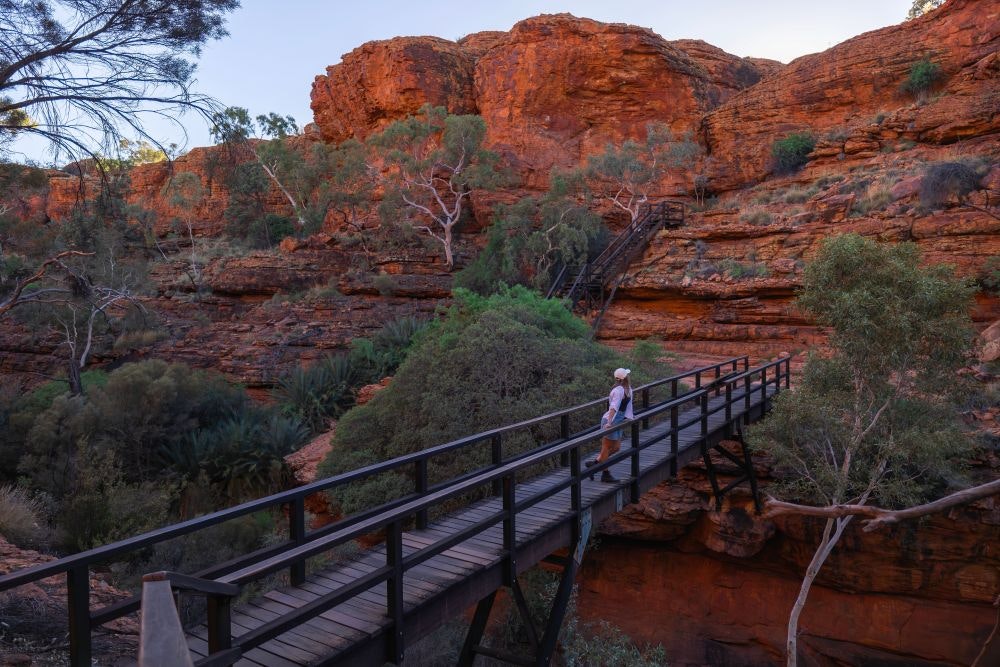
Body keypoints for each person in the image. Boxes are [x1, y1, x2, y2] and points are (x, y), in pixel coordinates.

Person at [586, 368, 633, 482]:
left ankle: (594, 464)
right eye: (627, 375)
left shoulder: (628, 389)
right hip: (610, 421)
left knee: (616, 448)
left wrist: (630, 417)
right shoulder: (618, 390)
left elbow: (628, 406)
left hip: (619, 420)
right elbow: (613, 407)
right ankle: (605, 474)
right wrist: (609, 423)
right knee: (606, 448)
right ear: (625, 377)